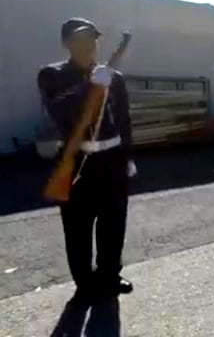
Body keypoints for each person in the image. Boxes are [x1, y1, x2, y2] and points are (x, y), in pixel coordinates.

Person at [37, 18, 135, 303]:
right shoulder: (51, 75)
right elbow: (57, 109)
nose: (89, 45)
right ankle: (85, 281)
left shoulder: (113, 77)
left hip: (112, 159)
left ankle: (110, 273)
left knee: (114, 220)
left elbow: (124, 120)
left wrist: (128, 156)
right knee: (78, 226)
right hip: (78, 160)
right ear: (67, 43)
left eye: (93, 39)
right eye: (81, 40)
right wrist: (88, 85)